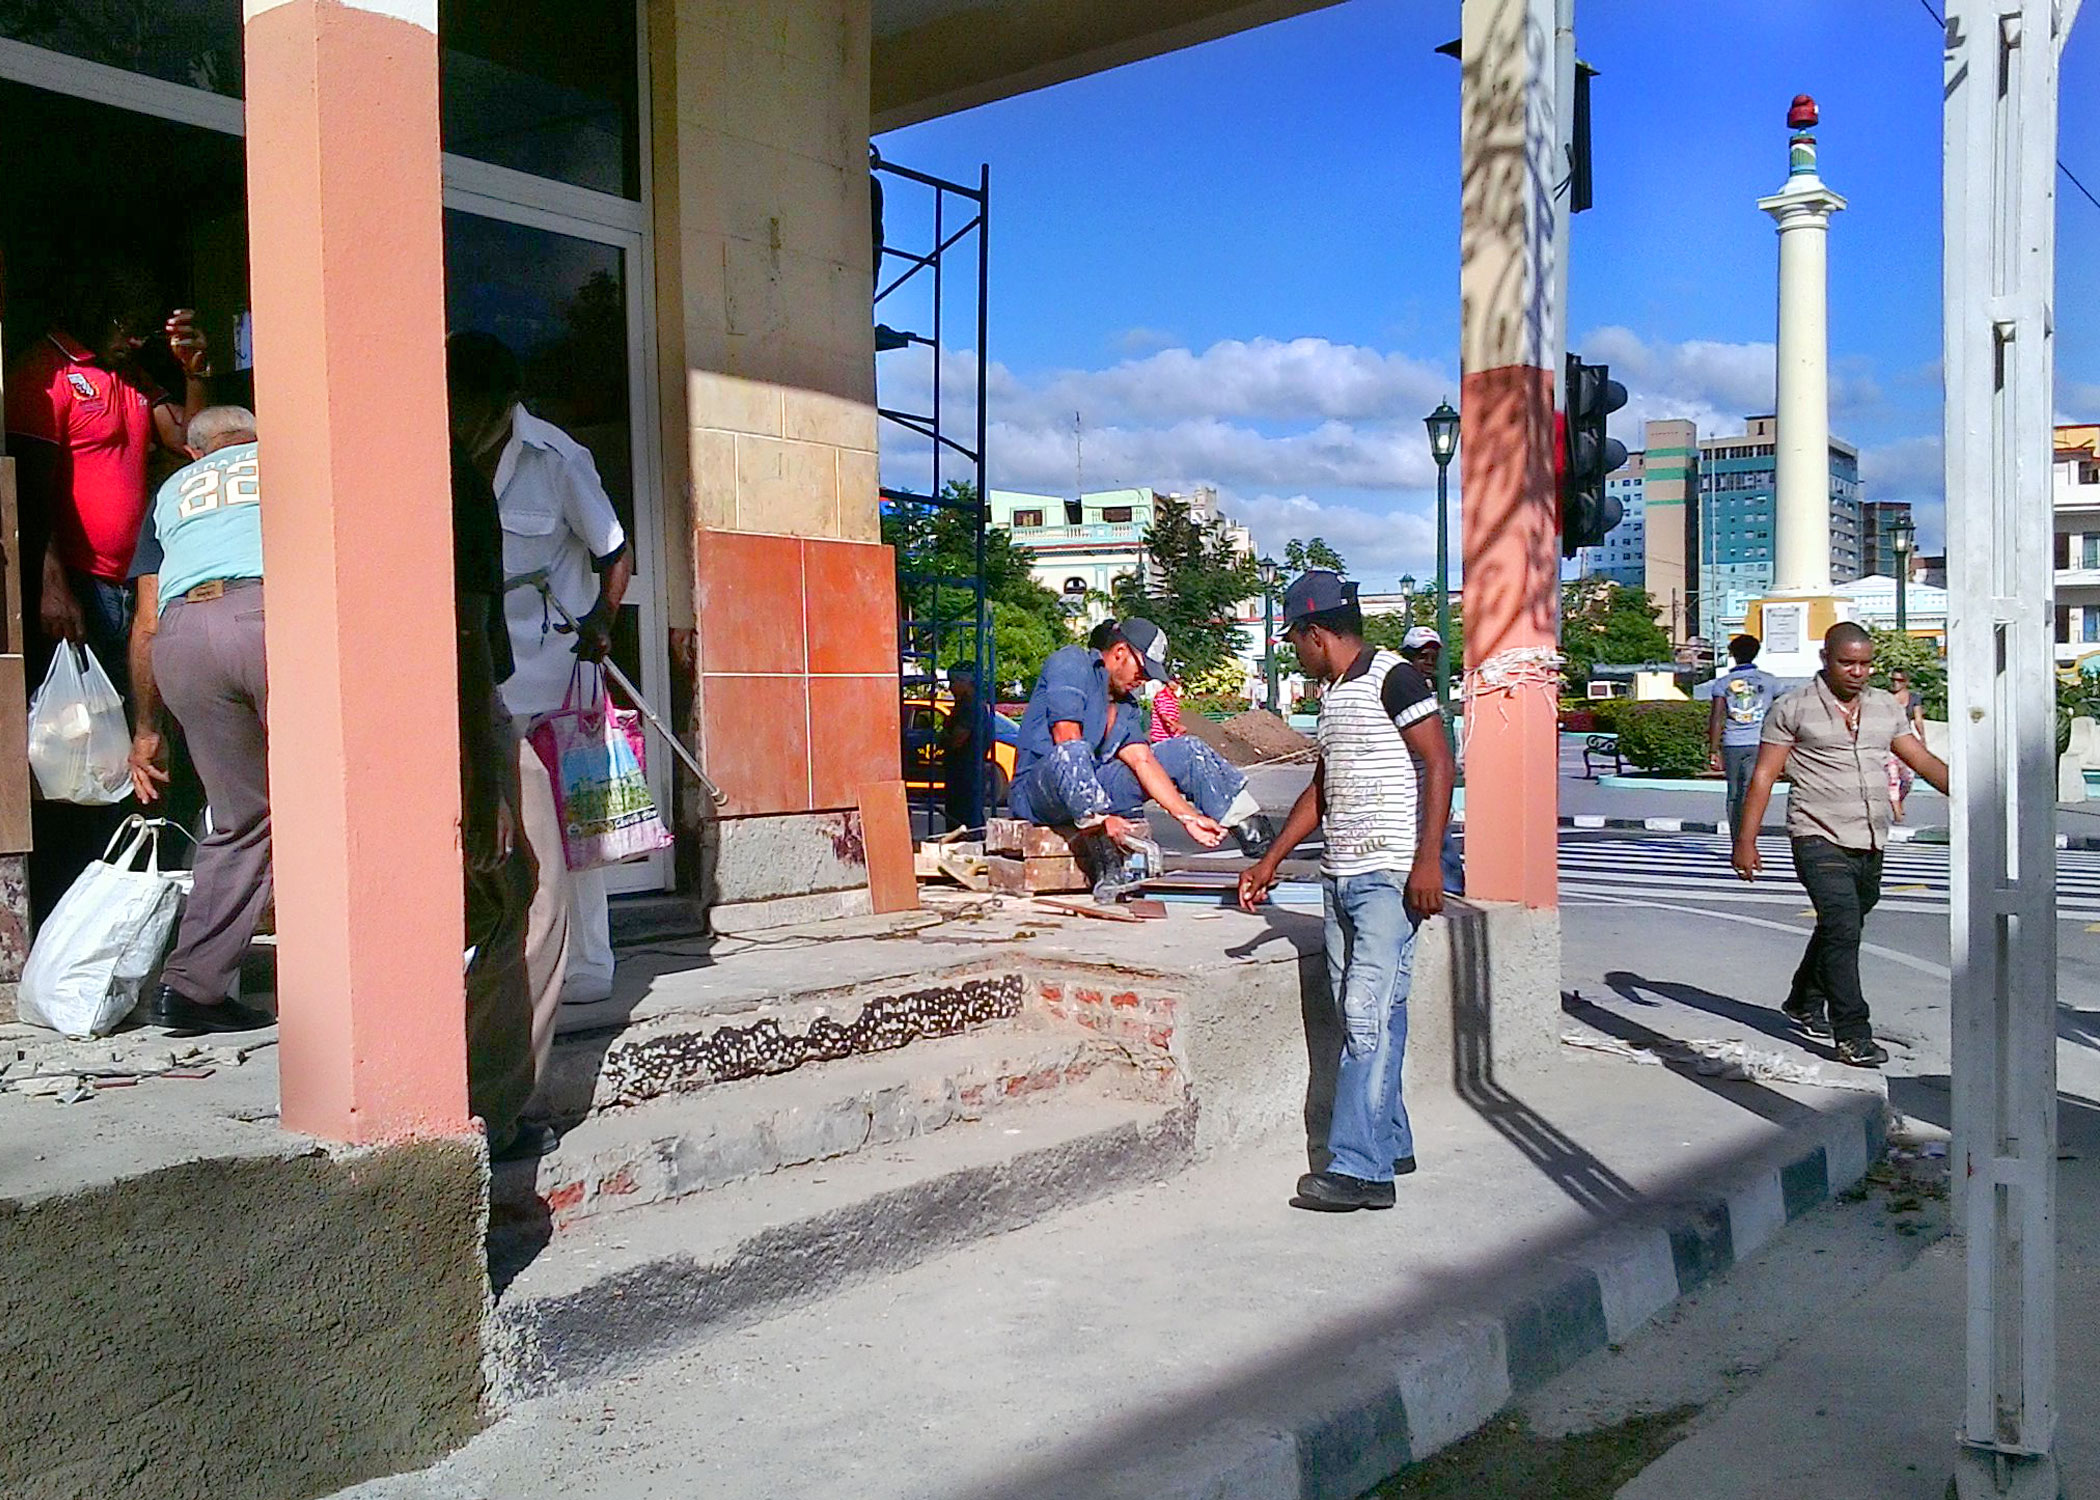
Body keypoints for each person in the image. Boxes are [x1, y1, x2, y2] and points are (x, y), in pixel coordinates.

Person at [1238, 571, 1454, 1211]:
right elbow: (1322, 789)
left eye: (1294, 640)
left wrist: (1428, 862)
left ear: (1315, 632)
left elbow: (1440, 763)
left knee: (1366, 1015)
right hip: (1341, 876)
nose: (1293, 651)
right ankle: (1391, 1139)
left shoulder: (1395, 677)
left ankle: (1362, 1172)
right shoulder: (1334, 695)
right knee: (1371, 1013)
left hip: (1389, 876)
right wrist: (1271, 860)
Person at [5, 263, 211, 924]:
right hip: (77, 584)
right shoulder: (47, 372)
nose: (133, 338)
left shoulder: (133, 379)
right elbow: (31, 494)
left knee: (134, 743)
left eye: (143, 329)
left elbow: (190, 442)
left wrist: (193, 368)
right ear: (95, 310)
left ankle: (125, 900)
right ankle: (66, 903)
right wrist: (51, 582)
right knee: (76, 745)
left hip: (135, 584)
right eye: (126, 325)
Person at [446, 332, 631, 1007]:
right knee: (486, 819)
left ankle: (586, 961)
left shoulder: (557, 458)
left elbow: (615, 551)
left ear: (502, 403)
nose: (458, 419)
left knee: (572, 823)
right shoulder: (437, 455)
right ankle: (500, 958)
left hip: (555, 669)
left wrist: (603, 624)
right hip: (478, 672)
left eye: (468, 405)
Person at [1732, 622, 1949, 1068]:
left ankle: (1803, 1000)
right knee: (1843, 928)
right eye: (1847, 662)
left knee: (1841, 924)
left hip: (1870, 836)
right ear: (1825, 659)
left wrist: (1973, 796)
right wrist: (1745, 842)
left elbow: (1921, 760)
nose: (1858, 672)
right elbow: (1764, 776)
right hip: (1816, 833)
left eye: (1865, 663)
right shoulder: (1792, 708)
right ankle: (1852, 1032)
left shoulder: (1885, 707)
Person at [123, 406, 274, 1035]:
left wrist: (147, 729)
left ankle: (193, 989)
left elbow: (147, 620)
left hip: (183, 638)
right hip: (266, 615)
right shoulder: (282, 461)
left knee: (239, 818)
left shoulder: (170, 495)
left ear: (193, 454)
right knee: (336, 795)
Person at [450, 437, 570, 1163]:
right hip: (456, 704)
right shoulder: (451, 473)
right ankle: (493, 1107)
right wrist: (486, 776)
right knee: (525, 893)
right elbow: (464, 627)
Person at [1007, 618, 1273, 883]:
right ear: (1121, 652)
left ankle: (1262, 848)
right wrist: (1101, 818)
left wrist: (1188, 816)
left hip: (1095, 786)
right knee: (1073, 751)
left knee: (1189, 750)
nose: (1143, 680)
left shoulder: (1127, 705)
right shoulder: (1072, 663)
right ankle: (1107, 864)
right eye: (1142, 671)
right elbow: (1065, 734)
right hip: (1040, 791)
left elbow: (1141, 759)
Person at [1399, 624, 1464, 895]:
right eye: (1420, 656)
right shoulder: (1400, 691)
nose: (1427, 663)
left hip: (1430, 781)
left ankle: (1451, 889)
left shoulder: (1428, 692)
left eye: (1432, 658)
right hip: (1409, 785)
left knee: (1440, 840)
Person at [1700, 634, 1783, 840]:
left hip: (1732, 744)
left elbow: (1717, 718)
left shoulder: (1723, 683)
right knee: (1752, 792)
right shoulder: (1770, 681)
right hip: (1760, 743)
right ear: (1756, 653)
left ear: (1733, 655)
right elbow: (1781, 711)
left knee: (1734, 793)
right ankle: (1749, 838)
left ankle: (1737, 839)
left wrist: (1713, 749)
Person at [940, 664, 982, 832]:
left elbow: (958, 739)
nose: (950, 688)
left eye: (953, 682)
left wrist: (944, 740)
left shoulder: (969, 708)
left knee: (963, 818)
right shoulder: (966, 706)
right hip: (962, 770)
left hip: (965, 771)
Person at [1884, 668, 1926, 823]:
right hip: (1889, 742)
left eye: (1900, 680)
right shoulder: (1885, 698)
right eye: (1893, 680)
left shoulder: (1914, 698)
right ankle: (1896, 810)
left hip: (1907, 741)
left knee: (1907, 778)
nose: (1895, 683)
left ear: (1906, 682)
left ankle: (1899, 800)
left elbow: (1918, 720)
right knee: (1892, 776)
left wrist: (1922, 739)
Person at [1148, 676, 1185, 743]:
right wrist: (1176, 725)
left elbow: (1174, 717)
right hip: (1160, 739)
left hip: (1170, 737)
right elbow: (1163, 715)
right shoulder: (1161, 696)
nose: (1178, 685)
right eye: (1177, 682)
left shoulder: (1174, 698)